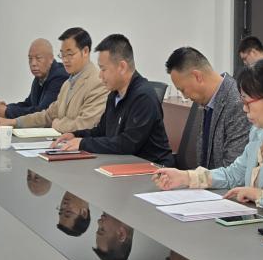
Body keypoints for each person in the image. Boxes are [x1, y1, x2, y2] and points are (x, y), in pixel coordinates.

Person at [153, 59, 263, 210]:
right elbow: (233, 174)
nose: (244, 109)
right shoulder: (260, 132)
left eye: (248, 103)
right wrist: (186, 177)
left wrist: (257, 194)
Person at [54, 34, 174, 165]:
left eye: (103, 69)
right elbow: (102, 131)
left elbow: (128, 144)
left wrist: (83, 143)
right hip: (124, 165)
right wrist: (76, 135)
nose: (100, 75)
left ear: (122, 67)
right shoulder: (114, 94)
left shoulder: (143, 97)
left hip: (154, 168)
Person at [0, 27, 107, 133]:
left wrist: (56, 124)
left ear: (85, 51)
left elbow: (85, 125)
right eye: (62, 55)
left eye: (70, 54)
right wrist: (13, 122)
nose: (65, 60)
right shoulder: (67, 84)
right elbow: (47, 116)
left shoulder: (98, 82)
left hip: (80, 149)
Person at [164, 46, 250, 170]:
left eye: (183, 90)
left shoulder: (237, 103)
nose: (185, 96)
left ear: (197, 76)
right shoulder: (208, 101)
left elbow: (232, 170)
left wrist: (191, 177)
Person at [0, 38, 68, 119]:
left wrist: (7, 112)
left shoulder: (59, 77)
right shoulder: (39, 77)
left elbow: (42, 112)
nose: (33, 63)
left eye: (38, 58)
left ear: (51, 59)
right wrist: (3, 108)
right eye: (30, 59)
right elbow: (28, 104)